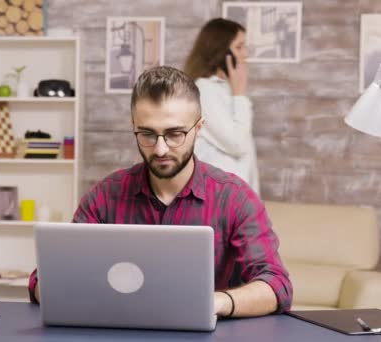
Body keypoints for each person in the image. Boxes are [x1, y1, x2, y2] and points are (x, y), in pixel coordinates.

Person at [28, 66, 292, 318]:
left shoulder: (235, 198)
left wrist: (216, 302)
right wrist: (59, 291)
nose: (161, 149)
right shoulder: (105, 196)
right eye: (147, 134)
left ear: (199, 129)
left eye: (175, 134)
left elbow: (276, 285)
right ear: (134, 126)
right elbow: (43, 280)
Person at [183, 18, 260, 194]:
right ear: (220, 51)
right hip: (218, 198)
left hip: (237, 200)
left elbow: (246, 157)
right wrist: (239, 94)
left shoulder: (225, 90)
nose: (245, 54)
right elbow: (237, 144)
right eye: (239, 47)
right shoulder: (204, 91)